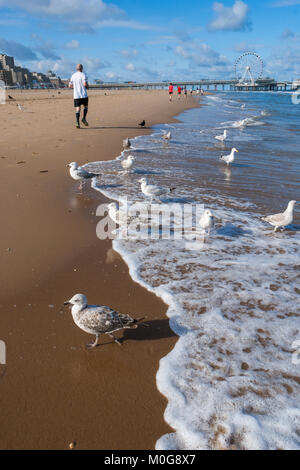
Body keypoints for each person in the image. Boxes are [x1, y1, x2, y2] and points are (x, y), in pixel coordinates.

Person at [69, 64, 89, 129]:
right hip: (83, 94)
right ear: (82, 68)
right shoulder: (83, 75)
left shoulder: (73, 76)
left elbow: (70, 86)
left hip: (76, 95)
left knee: (78, 108)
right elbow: (85, 84)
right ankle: (84, 118)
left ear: (76, 69)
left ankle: (77, 122)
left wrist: (75, 87)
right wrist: (87, 86)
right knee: (85, 106)